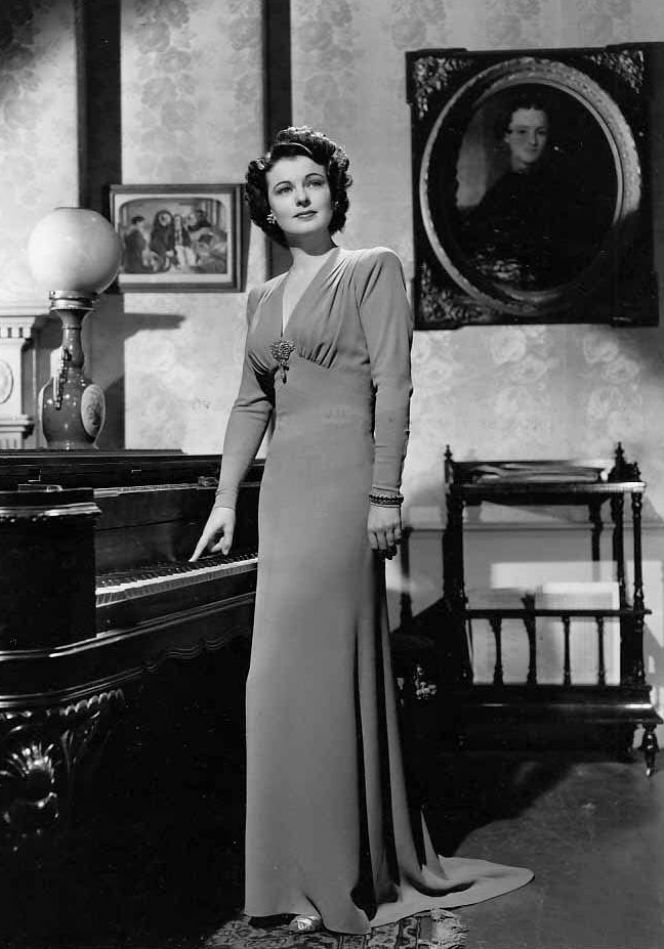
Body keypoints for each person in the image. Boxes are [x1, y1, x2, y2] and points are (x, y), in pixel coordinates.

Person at [191, 126, 532, 935]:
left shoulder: (372, 268)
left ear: (333, 191)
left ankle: (334, 878)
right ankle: (286, 878)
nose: (301, 197)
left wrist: (384, 495)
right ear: (268, 208)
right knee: (275, 683)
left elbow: (395, 387)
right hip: (284, 496)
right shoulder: (262, 299)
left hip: (347, 492)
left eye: (312, 182)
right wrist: (226, 498)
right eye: (284, 188)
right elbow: (250, 401)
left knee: (323, 680)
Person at [460, 95, 610, 289]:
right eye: (522, 132)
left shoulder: (564, 191)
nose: (532, 141)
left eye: (541, 132)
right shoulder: (498, 195)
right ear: (506, 136)